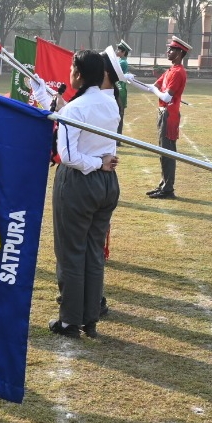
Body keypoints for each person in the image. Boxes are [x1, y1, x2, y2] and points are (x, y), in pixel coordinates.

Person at [50, 49, 122, 339]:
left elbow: (67, 156)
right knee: (93, 252)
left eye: (71, 68)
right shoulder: (110, 104)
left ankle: (69, 321)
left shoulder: (74, 110)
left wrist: (95, 163)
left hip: (80, 182)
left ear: (78, 74)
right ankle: (90, 317)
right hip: (107, 184)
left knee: (70, 252)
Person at [146, 36, 191, 200]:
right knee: (163, 152)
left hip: (169, 114)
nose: (168, 51)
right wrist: (129, 79)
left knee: (168, 152)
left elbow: (166, 97)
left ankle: (168, 188)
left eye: (171, 49)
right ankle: (163, 185)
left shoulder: (178, 72)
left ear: (179, 52)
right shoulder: (170, 70)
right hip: (163, 113)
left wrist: (155, 91)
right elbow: (153, 87)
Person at [113, 39, 131, 132]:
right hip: (119, 88)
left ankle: (117, 137)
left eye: (119, 50)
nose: (117, 51)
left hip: (120, 89)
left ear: (123, 52)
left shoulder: (122, 62)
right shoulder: (121, 61)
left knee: (119, 113)